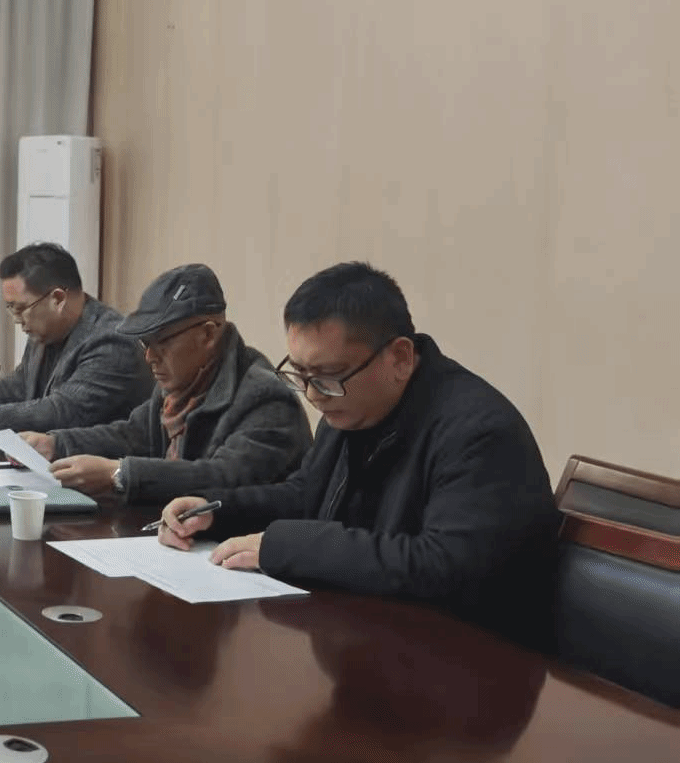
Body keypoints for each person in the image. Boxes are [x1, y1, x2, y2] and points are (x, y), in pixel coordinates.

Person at [157, 262, 560, 646]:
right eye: (301, 374)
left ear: (400, 358)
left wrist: (287, 545)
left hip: (468, 664)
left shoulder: (479, 433)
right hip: (370, 639)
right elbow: (306, 494)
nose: (312, 395)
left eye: (327, 376)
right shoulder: (351, 408)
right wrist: (216, 512)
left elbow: (442, 566)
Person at [23, 263, 310, 501]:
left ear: (208, 334)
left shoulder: (266, 398)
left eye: (161, 342)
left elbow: (223, 477)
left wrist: (120, 474)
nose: (149, 356)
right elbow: (133, 434)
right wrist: (56, 443)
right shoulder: (183, 383)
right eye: (145, 343)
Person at [0, 242, 151, 436]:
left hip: (96, 469)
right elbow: (18, 387)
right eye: (11, 309)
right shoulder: (47, 331)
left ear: (57, 299)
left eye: (21, 309)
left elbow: (62, 412)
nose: (17, 320)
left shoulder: (110, 341)